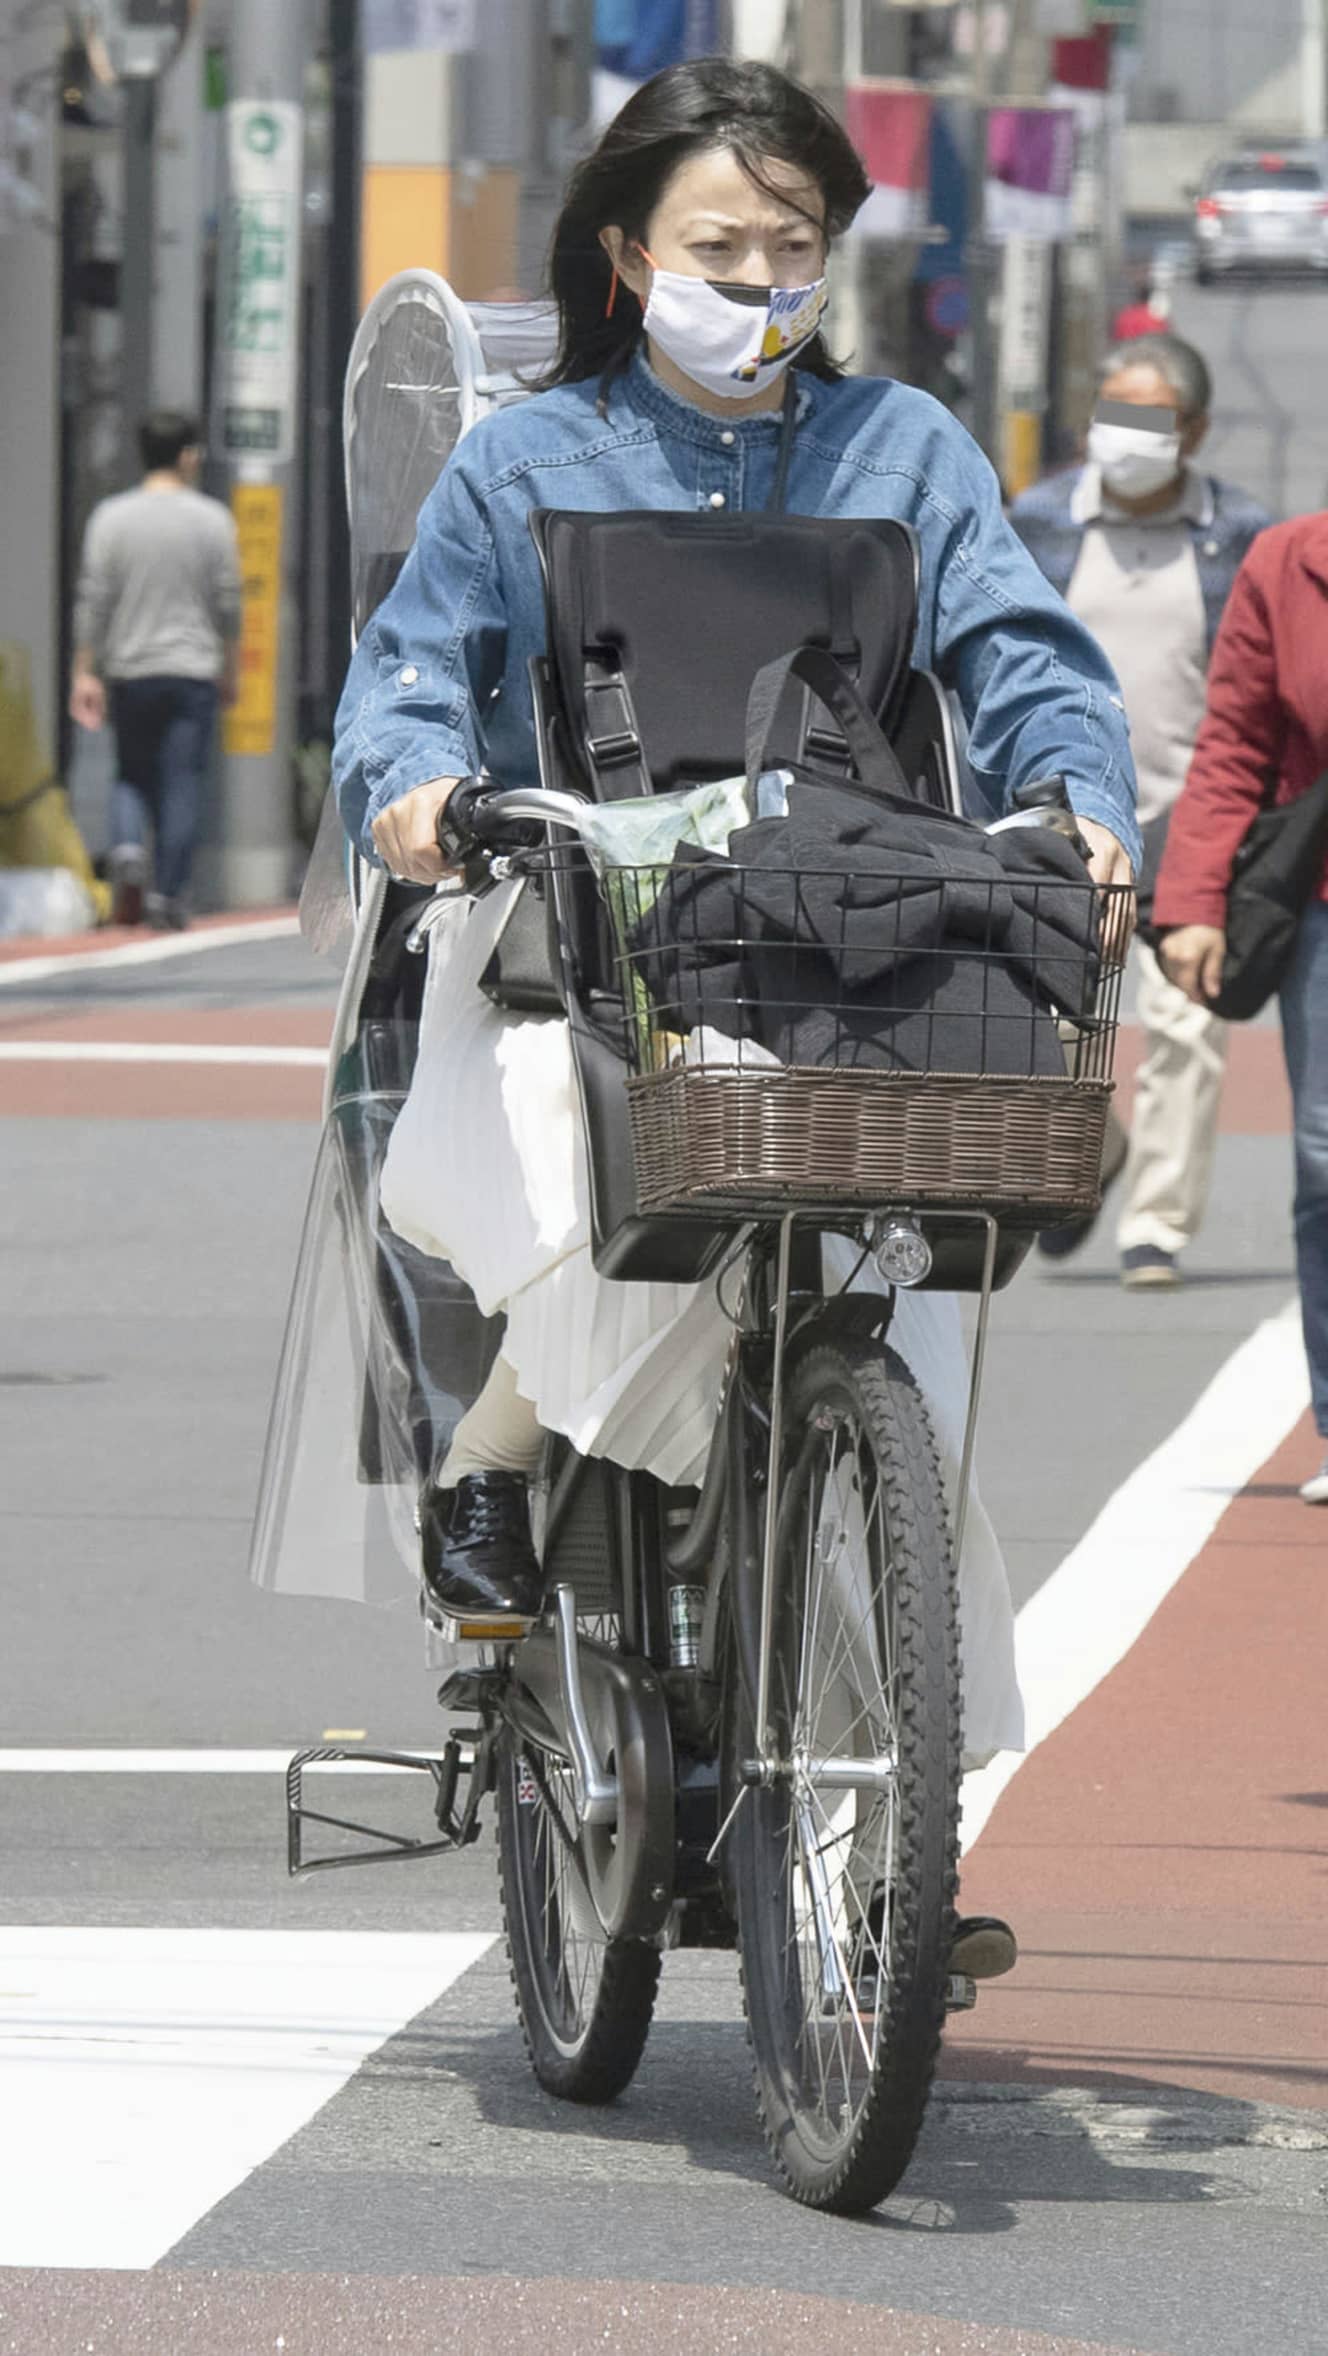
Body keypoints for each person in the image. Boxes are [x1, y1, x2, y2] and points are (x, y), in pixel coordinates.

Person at [332, 59, 1140, 1966]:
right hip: (572, 928)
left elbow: (1023, 658)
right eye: (718, 244)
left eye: (794, 246)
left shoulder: (905, 451)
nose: (760, 278)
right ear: (626, 253)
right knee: (567, 1155)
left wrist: (1078, 799)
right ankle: (504, 1452)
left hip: (839, 936)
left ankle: (884, 1831)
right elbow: (409, 680)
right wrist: (418, 789)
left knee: (907, 1371)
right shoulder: (525, 462)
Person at [1012, 333, 1270, 1287]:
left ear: (1193, 432)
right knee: (1049, 1024)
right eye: (1109, 416)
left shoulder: (1241, 535)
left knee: (1186, 1026)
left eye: (1147, 421)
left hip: (1194, 818)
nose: (1122, 440)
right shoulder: (1036, 522)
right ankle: (1100, 1148)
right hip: (1059, 813)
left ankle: (1155, 1223)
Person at [1154, 511, 1328, 1503]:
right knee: (1321, 1158)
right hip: (1315, 907)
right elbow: (1232, 742)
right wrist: (1188, 905)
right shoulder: (1285, 561)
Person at [70, 410, 241, 928]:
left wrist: (85, 671)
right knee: (182, 781)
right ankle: (168, 894)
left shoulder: (111, 518)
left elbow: (93, 601)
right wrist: (230, 668)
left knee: (132, 774)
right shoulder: (213, 520)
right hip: (192, 669)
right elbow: (229, 602)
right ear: (187, 455)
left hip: (131, 668)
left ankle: (124, 845)